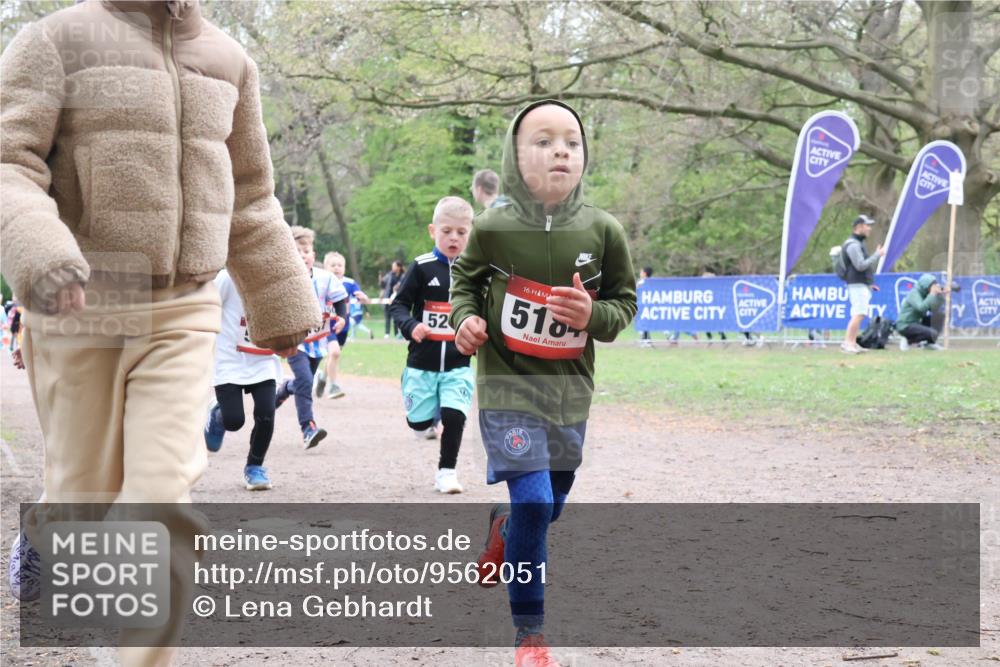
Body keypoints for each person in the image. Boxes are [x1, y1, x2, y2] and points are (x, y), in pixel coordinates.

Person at [0, 1, 321, 663]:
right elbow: (9, 163)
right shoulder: (55, 40)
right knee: (84, 501)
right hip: (85, 296)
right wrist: (43, 253)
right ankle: (51, 523)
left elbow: (250, 195)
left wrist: (282, 302)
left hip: (184, 305)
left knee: (160, 505)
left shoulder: (229, 61)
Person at [450, 100, 637, 667]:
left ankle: (506, 527)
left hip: (570, 395)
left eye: (572, 142)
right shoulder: (492, 226)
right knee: (534, 499)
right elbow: (465, 284)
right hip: (507, 389)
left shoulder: (603, 229)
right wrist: (465, 321)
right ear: (515, 155)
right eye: (544, 141)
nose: (561, 151)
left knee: (547, 505)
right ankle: (529, 634)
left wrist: (592, 314)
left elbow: (624, 305)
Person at [389, 196, 475, 494]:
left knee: (455, 416)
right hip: (421, 363)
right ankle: (427, 412)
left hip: (458, 363)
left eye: (461, 232)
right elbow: (398, 305)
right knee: (418, 423)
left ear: (470, 233)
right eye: (447, 231)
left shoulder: (475, 271)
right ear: (432, 231)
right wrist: (411, 326)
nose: (454, 238)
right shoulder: (422, 267)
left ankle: (446, 473)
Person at [204, 269, 285, 490]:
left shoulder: (278, 279)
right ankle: (218, 415)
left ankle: (254, 467)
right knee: (234, 421)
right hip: (229, 358)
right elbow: (206, 307)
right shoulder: (227, 278)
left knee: (266, 414)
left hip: (263, 359)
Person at [275, 227, 348, 448]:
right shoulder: (283, 280)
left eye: (306, 251)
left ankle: (285, 389)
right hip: (295, 342)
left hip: (318, 341)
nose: (303, 255)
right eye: (297, 251)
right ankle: (308, 428)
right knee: (306, 381)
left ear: (313, 255)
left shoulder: (325, 278)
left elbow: (339, 299)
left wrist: (341, 317)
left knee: (302, 382)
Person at [315, 251, 370, 399]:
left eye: (340, 265)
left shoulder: (350, 283)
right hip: (328, 325)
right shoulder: (321, 282)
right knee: (334, 353)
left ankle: (322, 378)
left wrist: (363, 298)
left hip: (343, 327)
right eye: (333, 265)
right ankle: (333, 386)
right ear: (326, 268)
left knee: (333, 356)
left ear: (344, 268)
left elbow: (361, 296)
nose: (336, 268)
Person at [840, 214, 886, 354]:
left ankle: (852, 343)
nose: (869, 228)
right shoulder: (853, 245)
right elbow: (860, 266)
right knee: (858, 314)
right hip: (856, 285)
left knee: (859, 314)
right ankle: (848, 343)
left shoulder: (858, 244)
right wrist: (877, 255)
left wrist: (869, 284)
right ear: (859, 227)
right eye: (867, 225)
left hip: (861, 284)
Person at [896, 274, 948, 351]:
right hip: (905, 325)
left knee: (939, 316)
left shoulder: (925, 294)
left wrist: (940, 296)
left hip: (917, 322)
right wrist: (932, 294)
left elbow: (933, 309)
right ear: (926, 285)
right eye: (932, 285)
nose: (935, 287)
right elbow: (921, 308)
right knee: (933, 333)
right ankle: (908, 339)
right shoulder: (914, 293)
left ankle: (929, 343)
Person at [381, 260, 405, 338]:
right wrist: (381, 280)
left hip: (398, 300)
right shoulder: (389, 275)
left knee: (396, 318)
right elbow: (383, 284)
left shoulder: (403, 276)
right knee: (387, 316)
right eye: (392, 266)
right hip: (388, 299)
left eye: (394, 266)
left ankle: (396, 334)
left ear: (399, 267)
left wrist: (398, 286)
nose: (392, 268)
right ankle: (387, 333)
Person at [637, 267, 653, 346]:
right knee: (644, 323)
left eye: (641, 272)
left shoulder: (643, 282)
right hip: (641, 306)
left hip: (645, 306)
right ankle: (646, 340)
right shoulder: (648, 282)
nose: (640, 273)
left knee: (644, 323)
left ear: (645, 273)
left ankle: (646, 341)